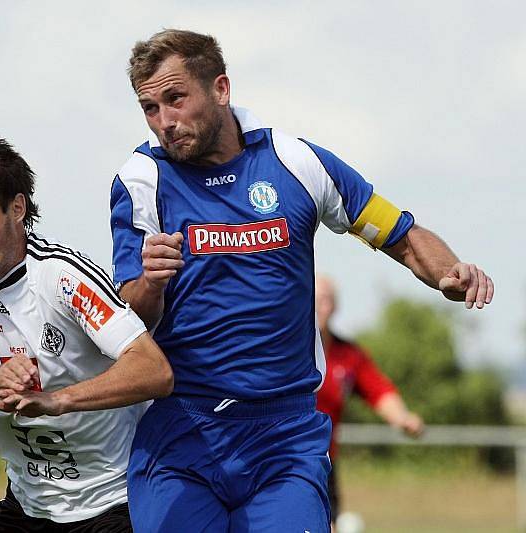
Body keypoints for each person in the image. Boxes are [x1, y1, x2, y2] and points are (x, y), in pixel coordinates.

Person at [109, 29, 493, 532]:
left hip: (284, 438)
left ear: (221, 88)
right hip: (182, 430)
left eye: (176, 99)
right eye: (150, 108)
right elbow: (128, 314)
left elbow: (400, 232)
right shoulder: (140, 181)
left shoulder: (297, 161)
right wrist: (151, 284)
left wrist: (449, 274)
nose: (165, 121)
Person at [0, 134, 173, 532]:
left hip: (113, 505)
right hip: (28, 509)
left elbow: (154, 371)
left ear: (16, 207)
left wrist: (56, 401)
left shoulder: (62, 278)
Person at [315, 274, 423, 528]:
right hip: (281, 456)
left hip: (324, 463)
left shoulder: (349, 355)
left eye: (326, 300)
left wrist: (403, 418)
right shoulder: (284, 350)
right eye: (314, 299)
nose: (320, 306)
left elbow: (378, 390)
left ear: (335, 306)